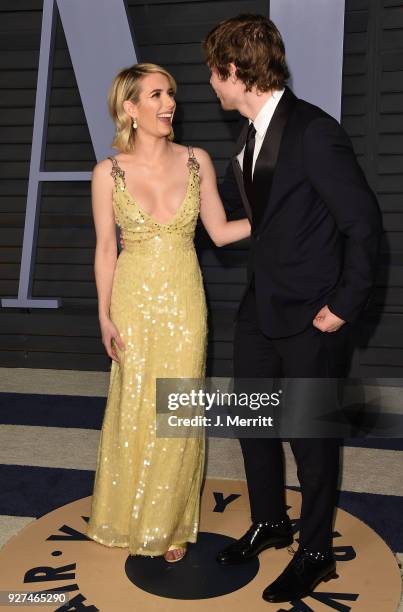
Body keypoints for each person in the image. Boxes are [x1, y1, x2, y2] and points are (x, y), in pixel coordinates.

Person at [202, 14, 382, 604]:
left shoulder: (313, 132)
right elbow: (273, 221)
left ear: (234, 70)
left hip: (312, 313)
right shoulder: (251, 134)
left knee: (310, 437)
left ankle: (315, 553)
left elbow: (364, 226)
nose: (211, 85)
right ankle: (272, 521)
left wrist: (344, 305)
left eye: (213, 73)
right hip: (260, 307)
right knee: (253, 424)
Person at [86, 63, 250, 563]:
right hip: (131, 301)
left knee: (176, 409)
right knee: (134, 404)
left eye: (171, 94)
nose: (169, 103)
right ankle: (127, 513)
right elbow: (106, 249)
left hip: (183, 299)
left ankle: (167, 522)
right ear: (129, 108)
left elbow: (220, 233)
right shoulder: (107, 171)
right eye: (156, 95)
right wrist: (103, 315)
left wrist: (277, 216)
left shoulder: (196, 159)